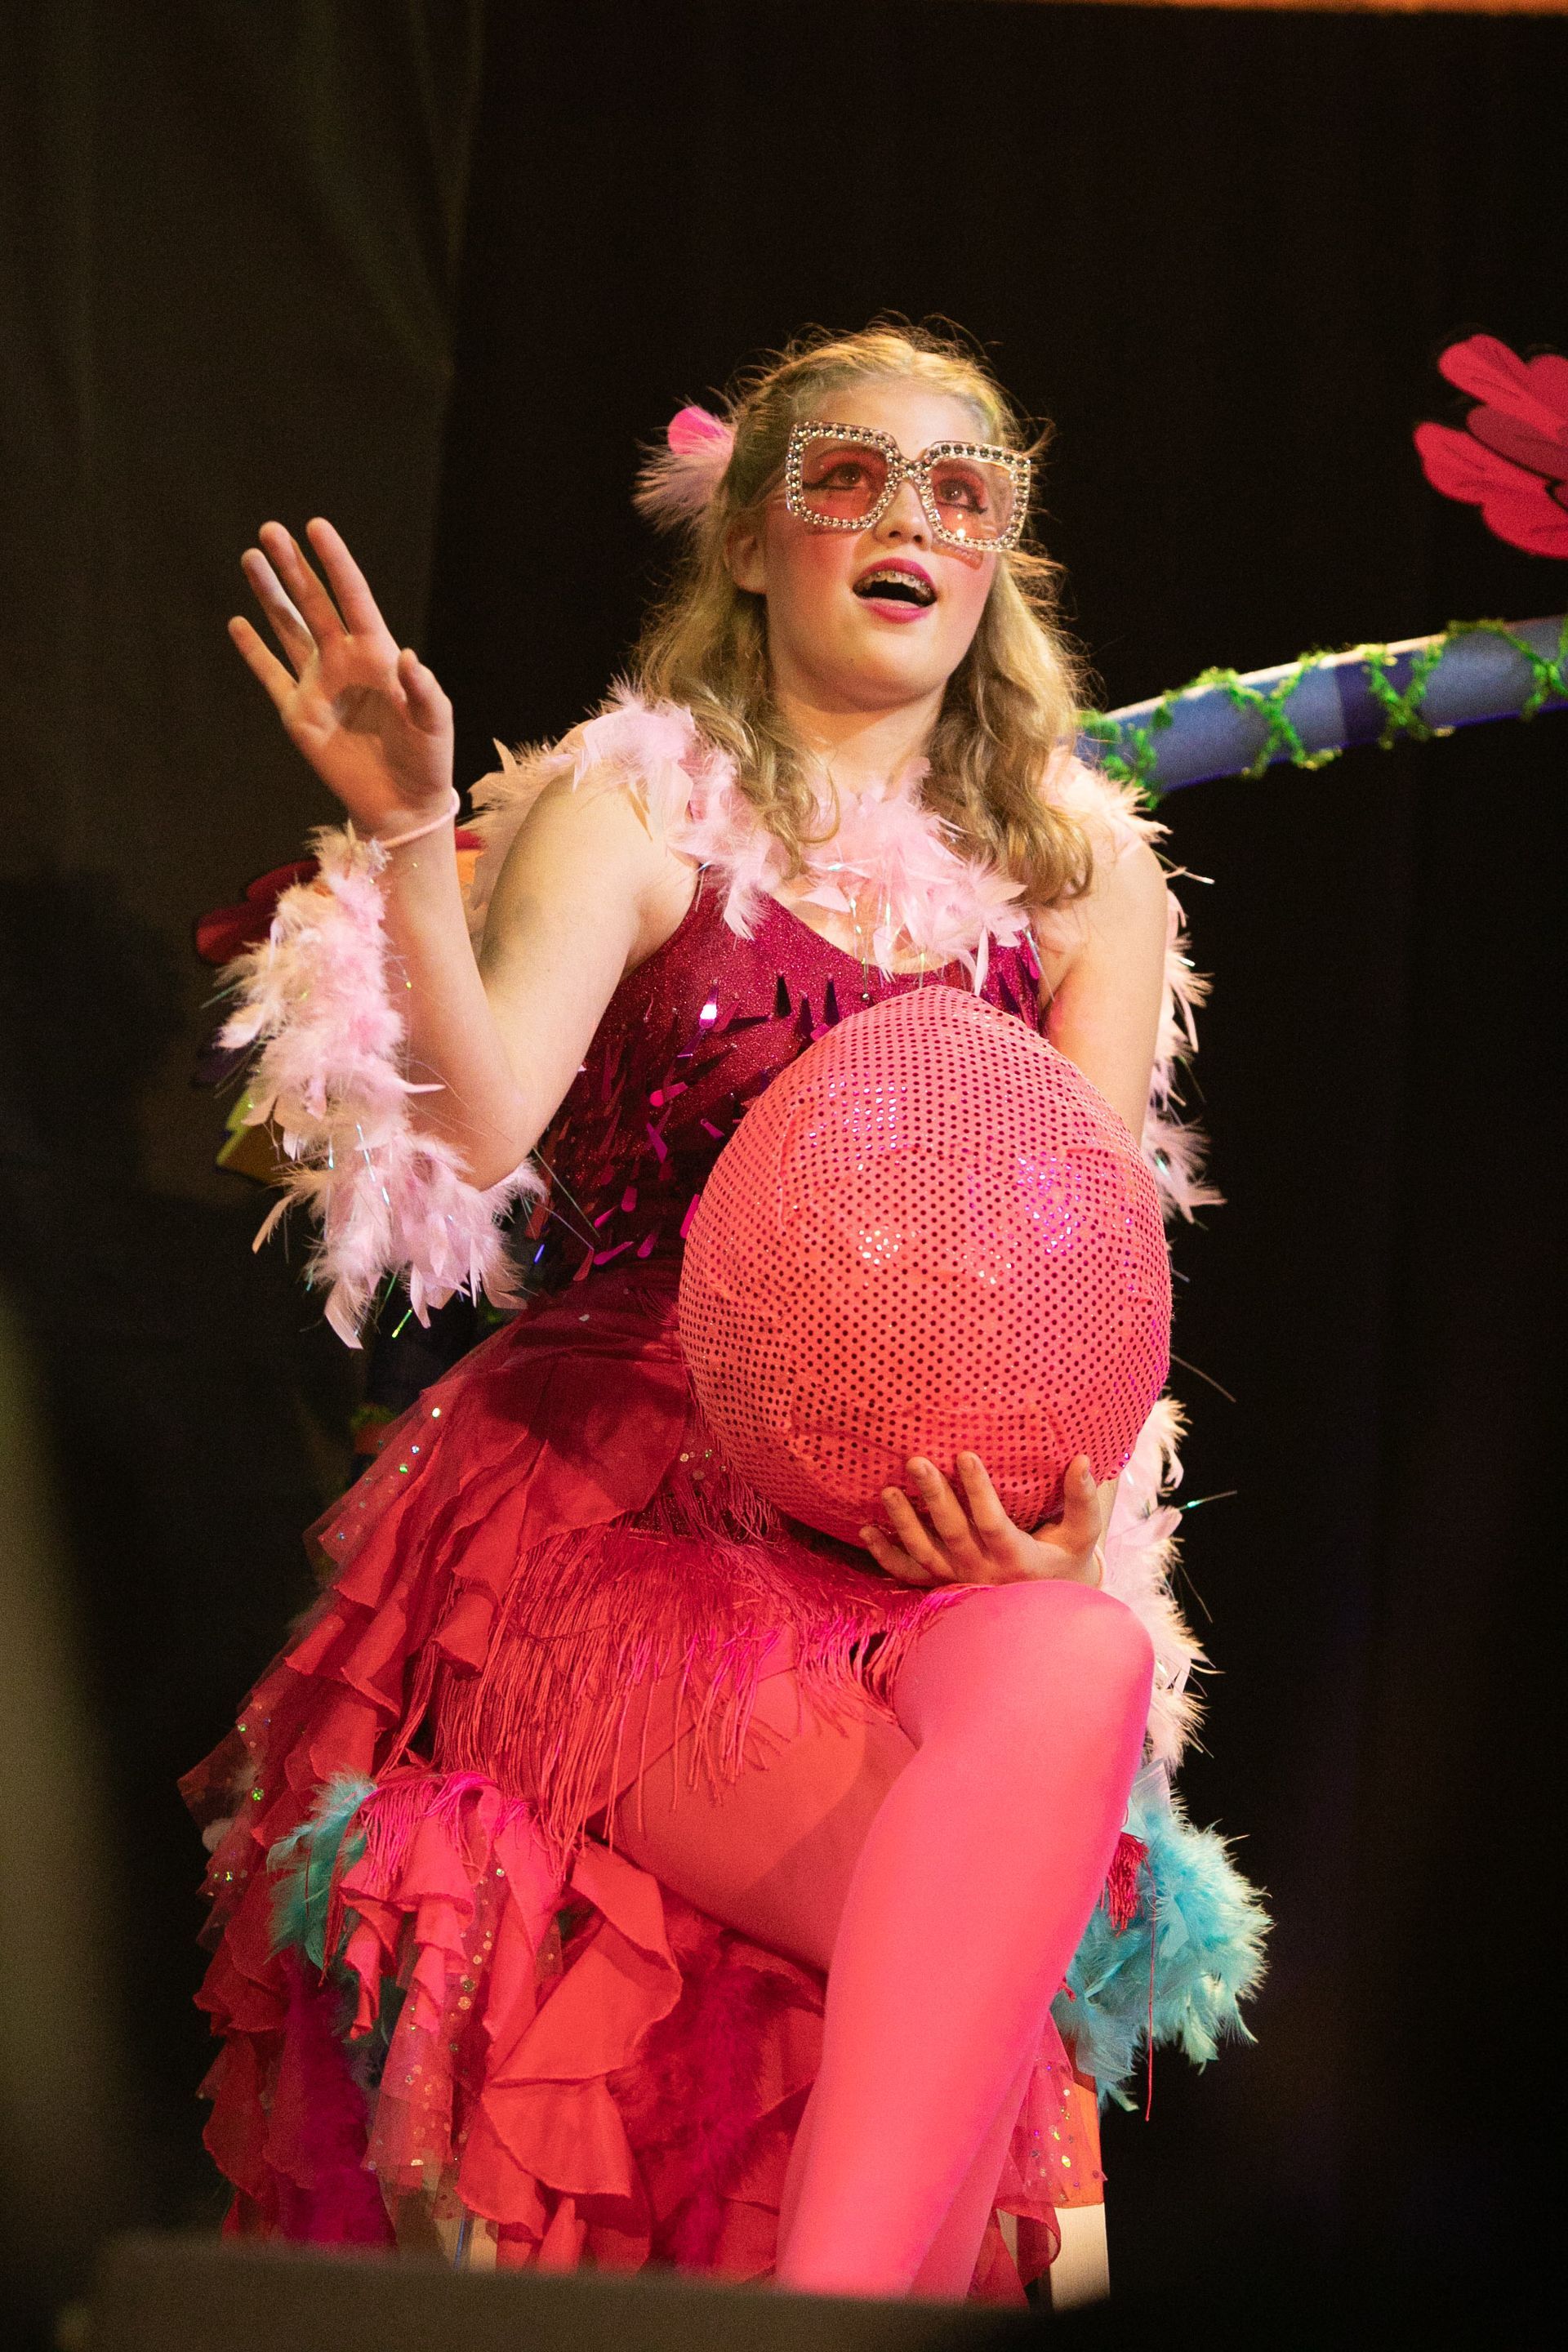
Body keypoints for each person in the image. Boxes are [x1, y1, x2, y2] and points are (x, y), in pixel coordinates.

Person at [186, 323, 1264, 2301]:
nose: (905, 518)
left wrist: (1063, 1515)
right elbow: (484, 1112)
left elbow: (1087, 1269)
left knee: (1070, 1673)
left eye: (960, 488)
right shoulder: (640, 808)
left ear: (1002, 560)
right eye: (846, 474)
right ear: (755, 538)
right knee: (972, 1991)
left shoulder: (1088, 880)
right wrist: (423, 833)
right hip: (619, 1514)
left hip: (906, 1541)